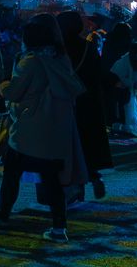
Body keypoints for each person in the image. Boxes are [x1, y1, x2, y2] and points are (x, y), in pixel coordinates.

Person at [0, 18, 85, 243]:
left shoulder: (30, 62)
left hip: (27, 131)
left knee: (11, 175)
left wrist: (2, 85)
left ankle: (2, 216)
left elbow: (13, 92)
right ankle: (59, 228)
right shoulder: (60, 60)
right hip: (54, 131)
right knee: (53, 181)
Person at [57, 12, 112, 200]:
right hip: (88, 102)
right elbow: (99, 74)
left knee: (70, 146)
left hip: (65, 103)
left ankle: (76, 189)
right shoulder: (88, 48)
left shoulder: (57, 50)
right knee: (88, 142)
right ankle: (95, 176)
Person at [101, 23, 135, 130]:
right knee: (123, 99)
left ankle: (111, 120)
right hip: (123, 74)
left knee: (110, 98)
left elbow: (105, 58)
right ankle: (123, 120)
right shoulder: (128, 43)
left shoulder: (108, 42)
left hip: (109, 73)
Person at [109, 42, 137, 136]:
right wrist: (132, 84)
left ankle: (125, 126)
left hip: (130, 89)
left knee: (130, 105)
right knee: (123, 105)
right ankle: (121, 126)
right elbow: (118, 76)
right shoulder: (125, 62)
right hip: (118, 85)